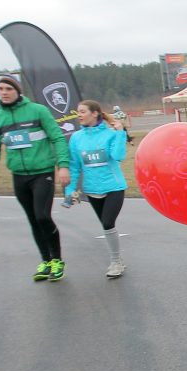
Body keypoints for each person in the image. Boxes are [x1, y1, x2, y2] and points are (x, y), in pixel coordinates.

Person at [0, 76, 72, 282]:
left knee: (42, 216)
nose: (4, 92)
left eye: (8, 88)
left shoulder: (37, 111)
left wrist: (62, 166)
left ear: (17, 90)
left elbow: (57, 137)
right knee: (33, 220)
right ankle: (45, 261)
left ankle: (57, 260)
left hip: (42, 172)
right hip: (19, 176)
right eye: (0, 89)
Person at [65, 100, 129, 278]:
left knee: (108, 222)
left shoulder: (110, 134)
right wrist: (70, 189)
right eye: (78, 112)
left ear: (95, 113)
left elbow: (118, 156)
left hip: (114, 187)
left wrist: (119, 133)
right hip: (92, 189)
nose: (79, 115)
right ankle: (118, 259)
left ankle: (116, 262)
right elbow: (75, 166)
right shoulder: (76, 138)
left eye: (82, 111)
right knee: (106, 226)